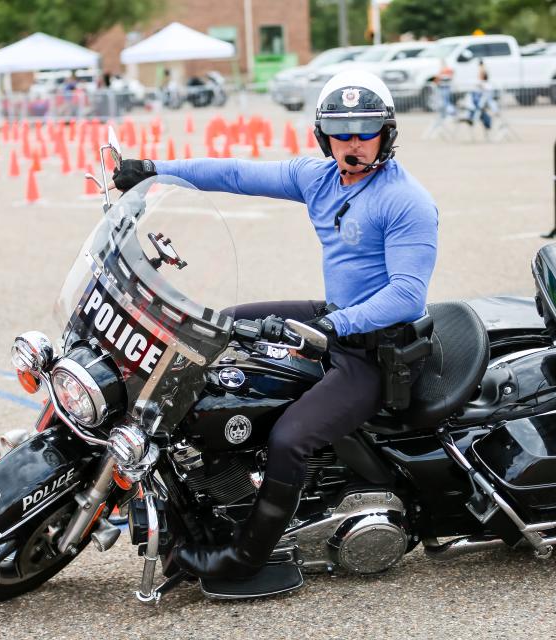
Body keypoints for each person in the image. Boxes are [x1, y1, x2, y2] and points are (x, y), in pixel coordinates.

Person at [111, 70, 438, 579]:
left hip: (377, 350)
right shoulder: (320, 178)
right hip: (337, 319)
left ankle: (246, 556)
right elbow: (238, 174)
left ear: (387, 133)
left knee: (290, 438)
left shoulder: (405, 200)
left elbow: (407, 294)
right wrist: (155, 171)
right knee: (222, 326)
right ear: (322, 135)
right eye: (341, 132)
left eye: (365, 131)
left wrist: (333, 326)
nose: (353, 143)